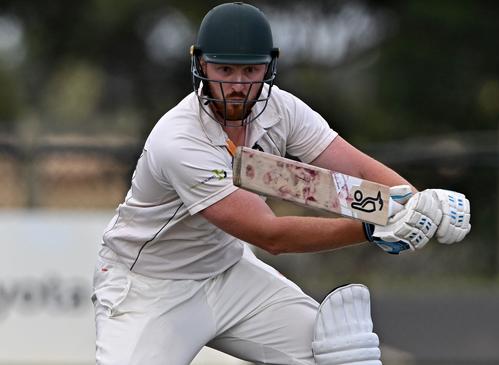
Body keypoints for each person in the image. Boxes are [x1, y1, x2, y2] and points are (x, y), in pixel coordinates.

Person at [92, 2, 471, 365]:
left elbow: (354, 166)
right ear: (201, 64)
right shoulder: (179, 140)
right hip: (149, 288)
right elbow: (270, 235)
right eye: (224, 70)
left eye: (249, 71)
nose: (237, 85)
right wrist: (372, 228)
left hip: (227, 273)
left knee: (340, 352)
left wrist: (421, 204)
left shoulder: (282, 109)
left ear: (268, 67)